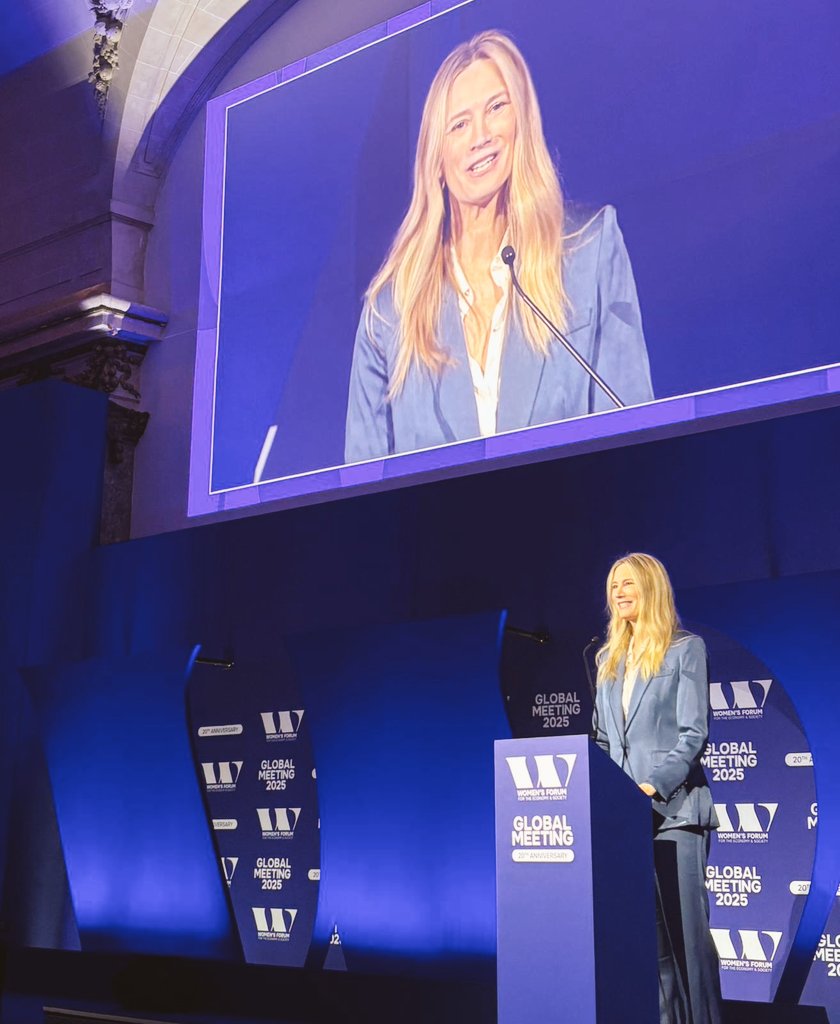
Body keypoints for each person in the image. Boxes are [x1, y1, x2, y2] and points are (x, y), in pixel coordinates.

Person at [344, 30, 653, 464]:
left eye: (496, 107)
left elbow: (634, 450)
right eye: (459, 124)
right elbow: (364, 502)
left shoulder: (589, 251)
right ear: (436, 158)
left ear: (521, 122)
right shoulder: (390, 313)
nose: (481, 136)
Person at [593, 553, 723, 1024]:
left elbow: (693, 732)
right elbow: (604, 739)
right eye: (613, 587)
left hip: (676, 813)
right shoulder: (607, 659)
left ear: (651, 588)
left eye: (628, 584)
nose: (619, 593)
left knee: (688, 943)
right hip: (623, 821)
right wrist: (608, 797)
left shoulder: (685, 649)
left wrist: (653, 786)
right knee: (652, 950)